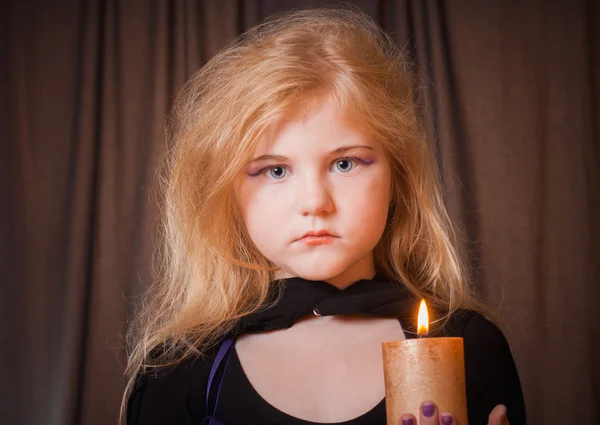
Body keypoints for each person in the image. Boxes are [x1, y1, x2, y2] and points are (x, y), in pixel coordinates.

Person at [120, 6, 526, 425]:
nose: (315, 202)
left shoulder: (468, 347)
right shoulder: (178, 371)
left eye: (345, 163)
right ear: (229, 193)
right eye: (275, 171)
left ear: (398, 177)